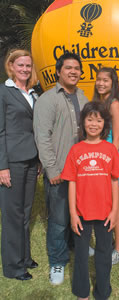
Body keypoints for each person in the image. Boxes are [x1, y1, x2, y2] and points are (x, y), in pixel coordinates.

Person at [61, 101, 119, 300]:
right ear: (83, 122)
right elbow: (71, 183)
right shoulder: (75, 150)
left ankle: (102, 291)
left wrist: (115, 211)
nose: (94, 124)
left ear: (104, 124)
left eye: (98, 120)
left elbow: (115, 181)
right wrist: (73, 213)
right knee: (80, 254)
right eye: (90, 119)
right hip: (82, 213)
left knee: (104, 253)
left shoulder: (110, 150)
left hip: (105, 213)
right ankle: (81, 291)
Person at [33, 52, 88, 285]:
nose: (73, 71)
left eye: (77, 68)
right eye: (68, 68)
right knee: (58, 218)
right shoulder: (48, 99)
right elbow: (42, 137)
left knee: (81, 213)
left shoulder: (84, 97)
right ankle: (57, 261)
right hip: (59, 171)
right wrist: (52, 169)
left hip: (82, 171)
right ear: (58, 71)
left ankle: (78, 245)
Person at [0, 49, 39, 280]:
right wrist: (2, 166)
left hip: (31, 159)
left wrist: (40, 160)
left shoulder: (33, 93)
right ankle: (13, 267)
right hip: (12, 161)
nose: (25, 69)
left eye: (28, 66)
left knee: (25, 212)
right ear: (11, 66)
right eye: (20, 65)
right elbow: (0, 131)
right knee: (12, 215)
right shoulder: (4, 92)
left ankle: (24, 257)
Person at [93, 67, 119, 265]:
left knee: (116, 208)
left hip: (111, 162)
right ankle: (105, 244)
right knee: (102, 207)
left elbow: (117, 138)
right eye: (98, 79)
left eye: (105, 80)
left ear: (112, 83)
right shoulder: (97, 103)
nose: (101, 83)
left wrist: (108, 163)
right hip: (96, 160)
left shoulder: (114, 105)